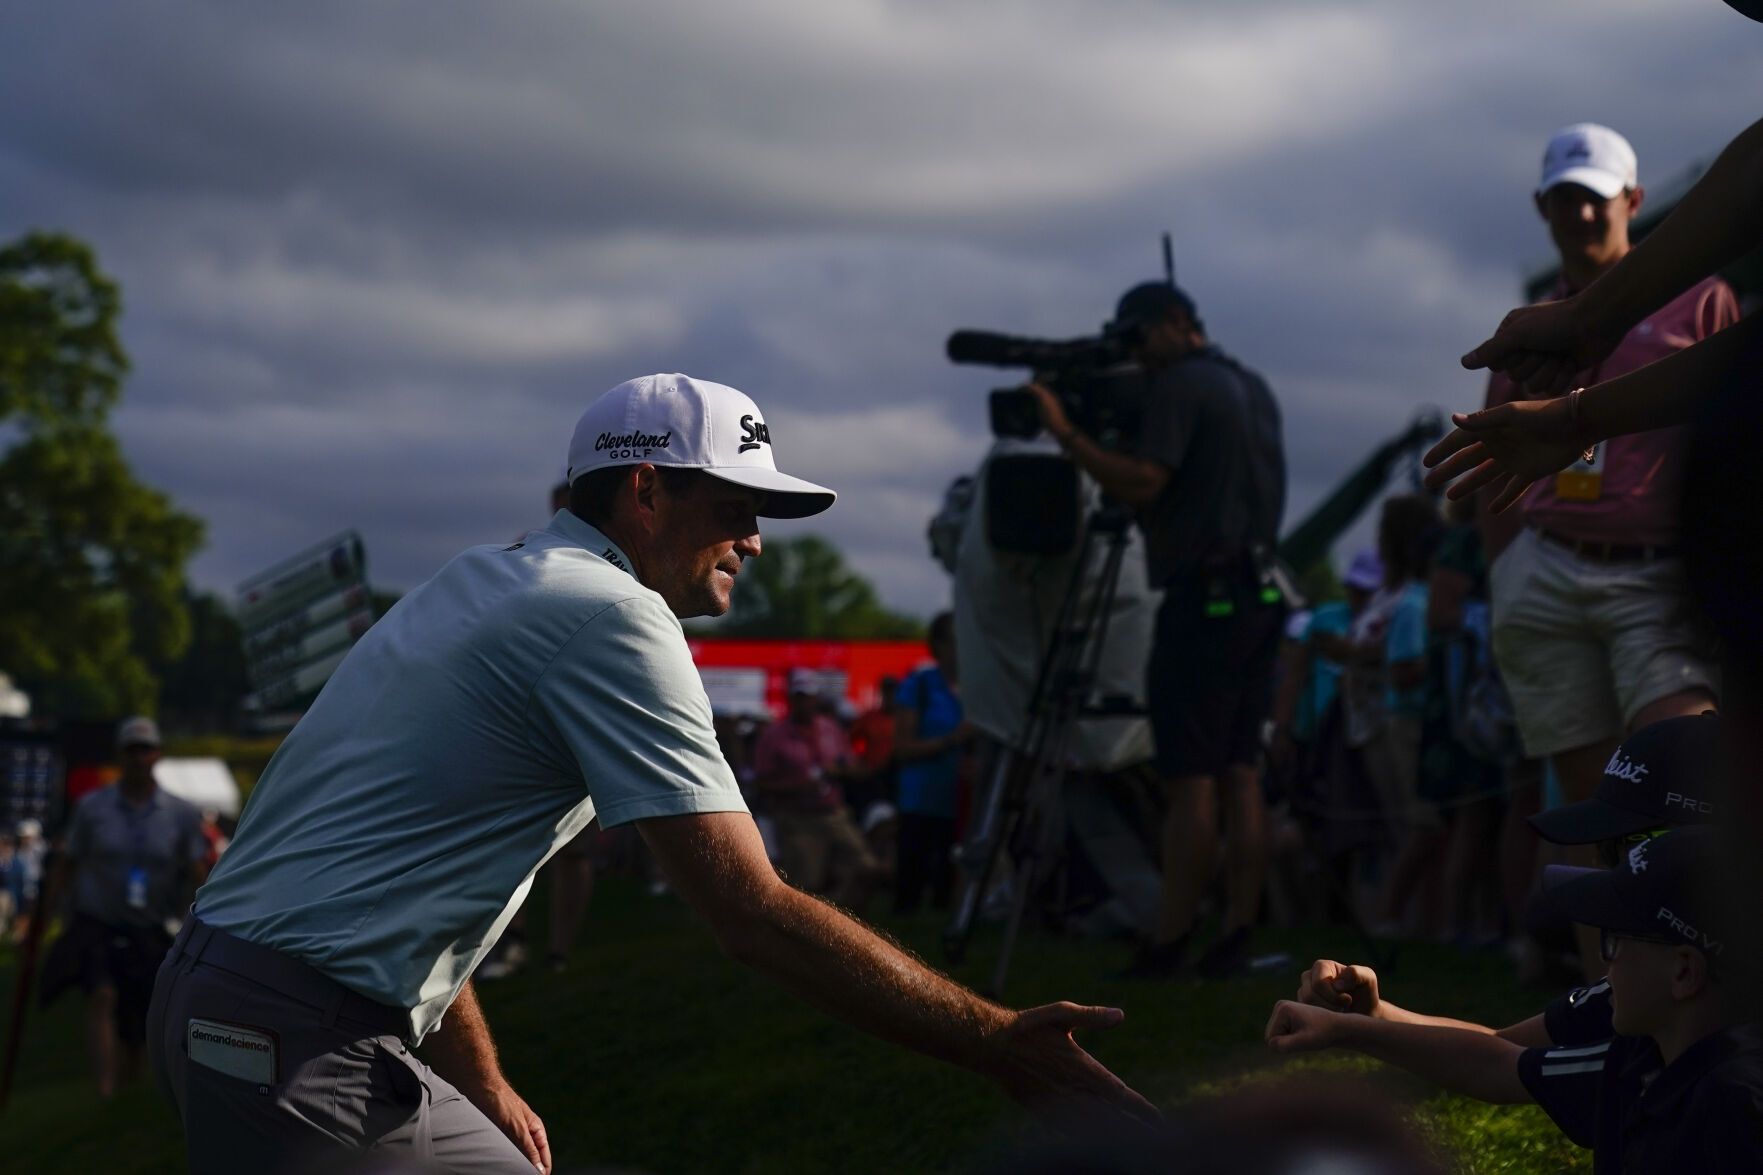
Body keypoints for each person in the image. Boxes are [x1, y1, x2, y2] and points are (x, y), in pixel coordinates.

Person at [147, 373, 1153, 1175]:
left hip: (229, 1001)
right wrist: (999, 1041)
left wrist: (480, 1080)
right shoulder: (613, 615)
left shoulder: (477, 577)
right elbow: (749, 911)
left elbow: (402, 864)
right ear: (646, 489)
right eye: (739, 504)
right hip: (296, 1037)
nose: (756, 539)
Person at [1466, 125, 1739, 977]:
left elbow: (1733, 429)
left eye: (1595, 193)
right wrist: (1503, 568)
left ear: (1634, 201)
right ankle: (1607, 1007)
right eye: (1563, 195)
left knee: (1680, 784)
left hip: (1659, 573)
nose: (1580, 209)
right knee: (1588, 809)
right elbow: (1490, 455)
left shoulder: (1701, 300)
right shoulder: (1532, 325)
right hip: (1546, 566)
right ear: (1542, 208)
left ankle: (1705, 1000)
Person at [1029, 280, 1286, 979]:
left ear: (1175, 325)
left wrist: (1067, 432)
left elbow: (1144, 481)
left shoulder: (1180, 384)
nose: (1136, 359)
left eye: (1137, 339)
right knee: (1240, 773)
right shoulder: (1252, 386)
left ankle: (1168, 940)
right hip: (1262, 588)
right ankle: (1235, 932)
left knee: (1191, 779)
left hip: (1204, 596)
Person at [1267, 826, 1763, 1171]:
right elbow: (1503, 1055)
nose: (1604, 963)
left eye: (1615, 941)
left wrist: (1354, 1029)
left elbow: (1504, 1063)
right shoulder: (1644, 1053)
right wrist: (1365, 1020)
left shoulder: (1732, 1105)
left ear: (1683, 972)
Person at [41, 717, 209, 1097]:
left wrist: (198, 918)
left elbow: (197, 868)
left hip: (149, 925)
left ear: (158, 754)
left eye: (145, 749)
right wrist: (49, 913)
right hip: (97, 919)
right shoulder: (92, 807)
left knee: (139, 1012)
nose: (138, 758)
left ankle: (130, 1085)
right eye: (131, 750)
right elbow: (68, 862)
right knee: (102, 996)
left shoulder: (180, 813)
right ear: (120, 755)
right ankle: (105, 1088)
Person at [751, 667, 885, 912]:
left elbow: (853, 765)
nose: (806, 703)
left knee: (867, 868)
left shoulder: (830, 728)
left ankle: (841, 919)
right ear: (791, 699)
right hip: (796, 818)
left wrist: (840, 771)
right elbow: (761, 781)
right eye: (800, 697)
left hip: (833, 813)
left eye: (810, 697)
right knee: (806, 887)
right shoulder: (774, 735)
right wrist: (797, 787)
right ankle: (813, 929)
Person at [892, 612, 974, 913]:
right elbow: (902, 748)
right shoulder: (919, 684)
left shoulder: (975, 687)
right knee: (911, 885)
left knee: (947, 882)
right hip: (920, 800)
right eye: (956, 640)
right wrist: (952, 740)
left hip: (962, 800)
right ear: (938, 645)